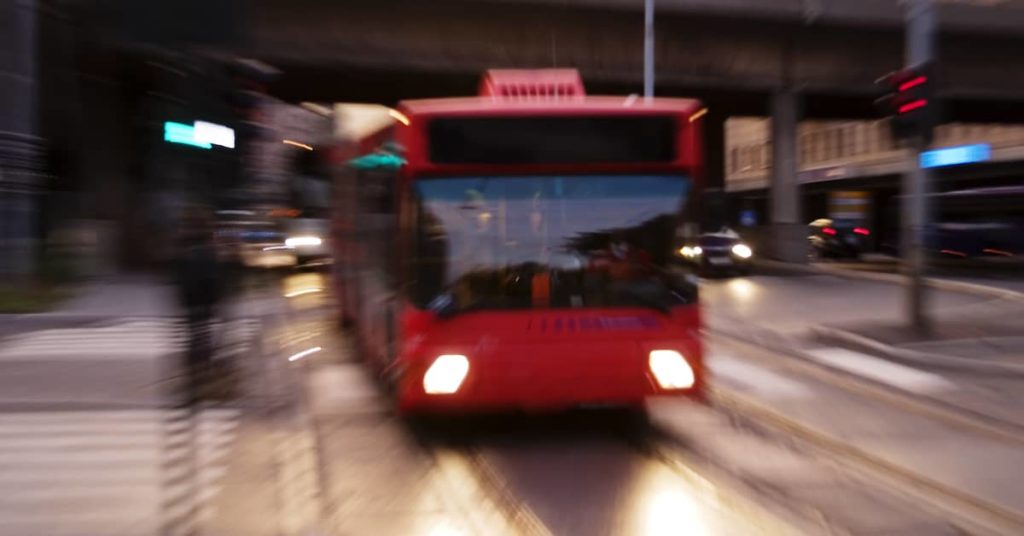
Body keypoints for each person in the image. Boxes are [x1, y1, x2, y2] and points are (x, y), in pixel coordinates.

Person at [175, 210, 225, 403]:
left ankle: (196, 384)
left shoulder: (188, 251)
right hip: (203, 304)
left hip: (193, 304)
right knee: (202, 341)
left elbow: (181, 279)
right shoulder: (209, 252)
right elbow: (214, 281)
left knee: (196, 342)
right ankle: (202, 381)